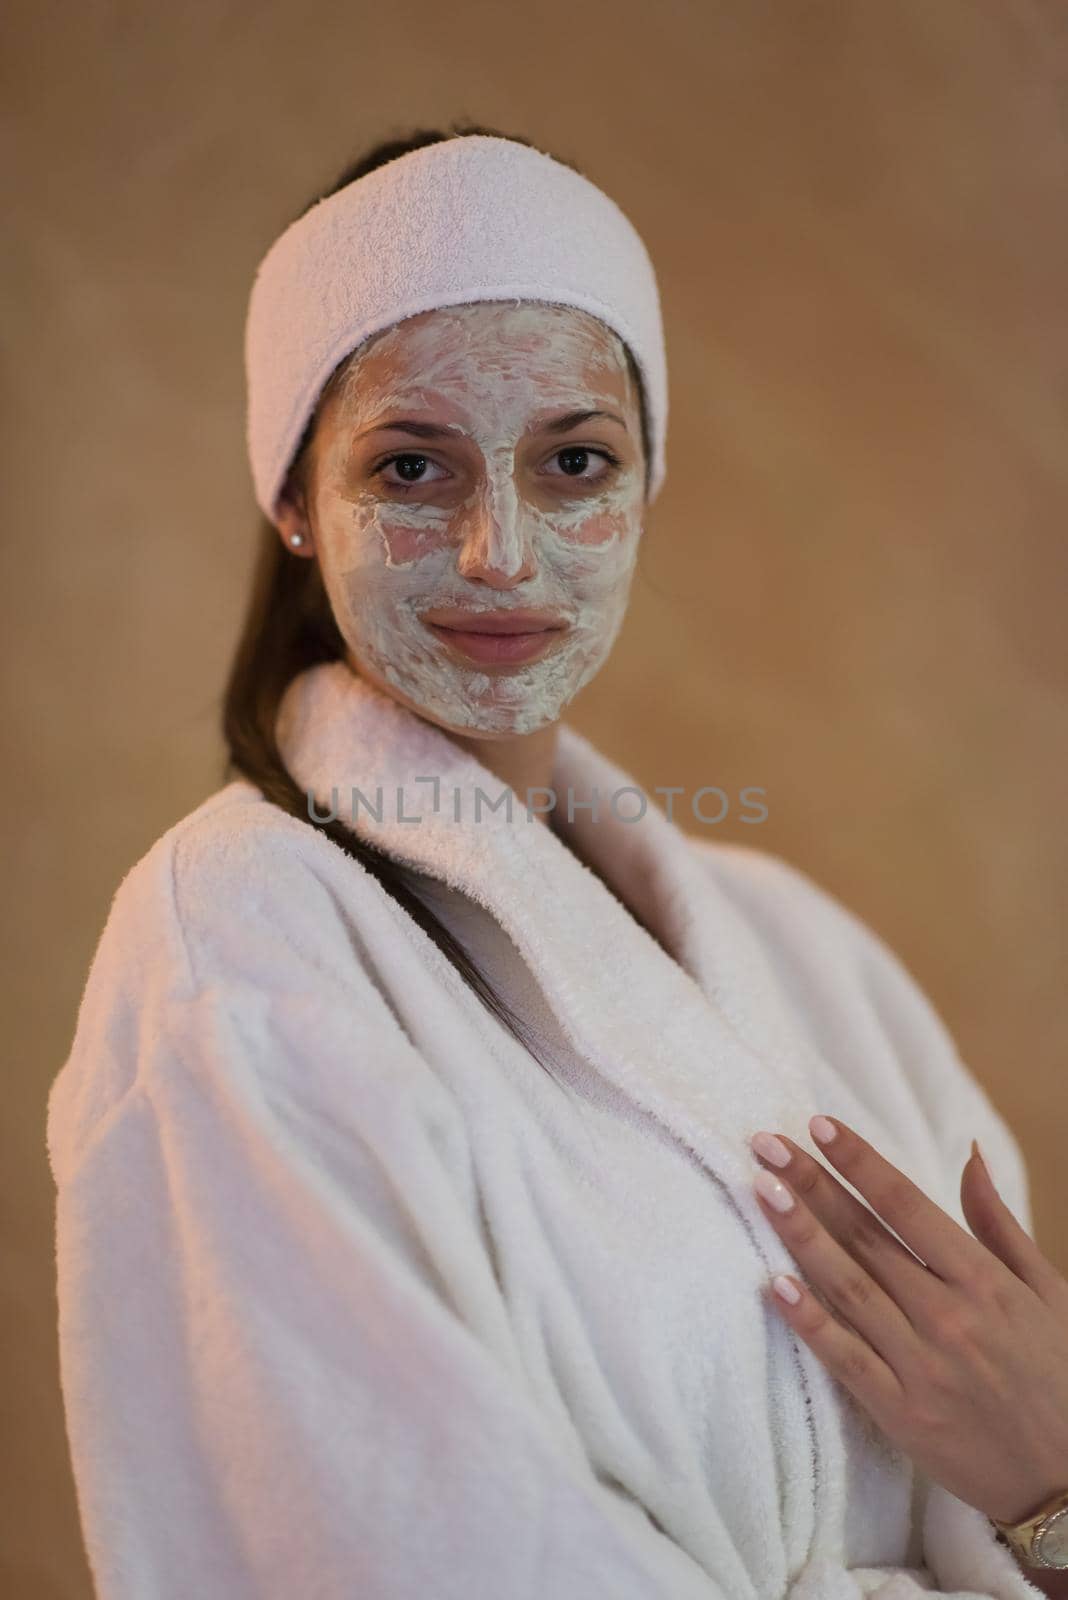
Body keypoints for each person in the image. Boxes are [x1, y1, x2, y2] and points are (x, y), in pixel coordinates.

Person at [47, 123, 1067, 1600]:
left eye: (575, 460)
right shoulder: (234, 940)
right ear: (290, 499)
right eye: (412, 467)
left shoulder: (811, 956)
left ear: (648, 483)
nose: (499, 554)